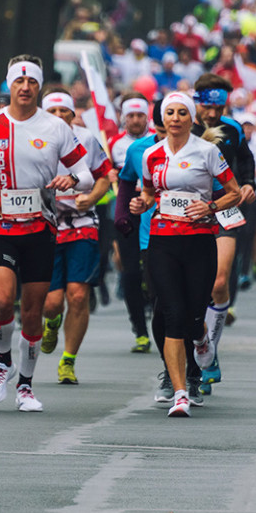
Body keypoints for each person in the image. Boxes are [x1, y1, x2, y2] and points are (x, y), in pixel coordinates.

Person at [0, 55, 92, 412]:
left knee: (33, 313)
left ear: (39, 86)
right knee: (2, 300)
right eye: (19, 81)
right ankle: (4, 362)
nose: (25, 87)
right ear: (9, 85)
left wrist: (72, 179)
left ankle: (26, 387)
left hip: (41, 227)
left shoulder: (56, 127)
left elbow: (87, 172)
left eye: (32, 81)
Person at [129, 92, 241, 417]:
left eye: (182, 113)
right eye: (170, 113)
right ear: (162, 119)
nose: (175, 118)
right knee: (171, 313)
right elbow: (149, 192)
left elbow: (233, 193)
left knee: (193, 316)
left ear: (192, 119)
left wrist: (209, 206)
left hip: (199, 241)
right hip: (162, 242)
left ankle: (202, 339)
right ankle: (180, 392)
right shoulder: (151, 154)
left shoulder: (208, 152)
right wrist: (141, 203)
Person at [38, 91, 112, 383]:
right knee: (52, 302)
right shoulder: (33, 139)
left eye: (64, 111)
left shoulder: (87, 139)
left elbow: (105, 176)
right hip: (45, 224)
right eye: (52, 111)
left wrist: (91, 197)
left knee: (78, 295)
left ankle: (68, 360)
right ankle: (52, 322)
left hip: (82, 223)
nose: (58, 116)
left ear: (72, 115)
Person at [191, 74, 255, 393]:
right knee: (191, 290)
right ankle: (196, 349)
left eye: (219, 107)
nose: (213, 114)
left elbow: (245, 159)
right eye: (207, 107)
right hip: (188, 211)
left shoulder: (232, 128)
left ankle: (209, 355)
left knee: (219, 281)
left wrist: (248, 183)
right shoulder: (180, 123)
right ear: (197, 101)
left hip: (225, 208)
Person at [109, 95, 153, 352]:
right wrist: (109, 172)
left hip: (154, 210)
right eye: (131, 116)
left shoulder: (159, 142)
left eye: (140, 115)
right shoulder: (115, 143)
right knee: (130, 273)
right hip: (127, 211)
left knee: (153, 271)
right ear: (124, 118)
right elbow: (103, 171)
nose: (135, 120)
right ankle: (139, 330)